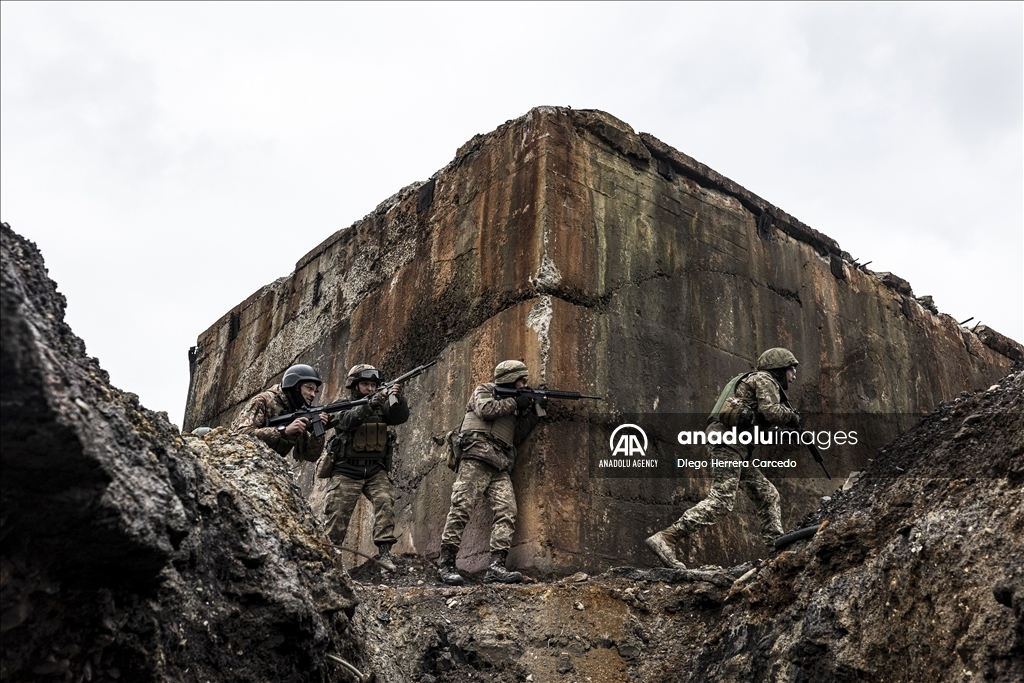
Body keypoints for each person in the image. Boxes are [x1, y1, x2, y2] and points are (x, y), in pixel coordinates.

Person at [646, 348, 800, 569]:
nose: (794, 376)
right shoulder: (765, 378)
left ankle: (776, 549)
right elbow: (772, 412)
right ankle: (666, 538)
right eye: (791, 369)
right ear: (778, 369)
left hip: (734, 447)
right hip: (727, 444)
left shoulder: (754, 380)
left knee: (768, 494)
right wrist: (793, 418)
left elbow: (759, 416)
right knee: (722, 501)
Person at [437, 360, 542, 585]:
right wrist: (517, 402)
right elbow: (486, 411)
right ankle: (445, 564)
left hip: (500, 465)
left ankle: (496, 567)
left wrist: (533, 411)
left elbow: (515, 437)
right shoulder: (484, 390)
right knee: (461, 508)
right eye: (520, 380)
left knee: (507, 511)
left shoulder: (513, 407)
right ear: (509, 380)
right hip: (475, 459)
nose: (524, 384)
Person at [321, 364, 409, 572]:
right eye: (365, 385)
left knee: (385, 502)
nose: (370, 389)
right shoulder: (343, 405)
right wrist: (368, 405)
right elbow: (347, 421)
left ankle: (385, 553)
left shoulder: (381, 405)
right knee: (337, 516)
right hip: (346, 470)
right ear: (354, 386)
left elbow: (399, 417)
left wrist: (398, 398)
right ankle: (331, 562)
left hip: (374, 470)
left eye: (373, 385)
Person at [232, 364, 329, 462]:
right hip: (239, 460)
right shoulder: (263, 400)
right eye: (309, 388)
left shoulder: (298, 412)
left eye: (315, 391)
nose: (313, 395)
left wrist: (317, 432)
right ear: (295, 385)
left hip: (267, 464)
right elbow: (242, 435)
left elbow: (310, 456)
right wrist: (284, 431)